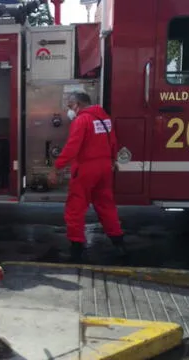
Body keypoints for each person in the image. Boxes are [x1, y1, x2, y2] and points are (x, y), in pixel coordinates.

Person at [48, 92, 126, 262]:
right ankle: (118, 243)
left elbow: (72, 148)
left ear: (77, 104)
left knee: (75, 207)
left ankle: (76, 248)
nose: (69, 110)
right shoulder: (104, 119)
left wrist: (57, 167)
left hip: (85, 168)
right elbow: (113, 141)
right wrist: (113, 160)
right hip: (105, 168)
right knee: (106, 205)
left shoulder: (81, 121)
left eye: (70, 106)